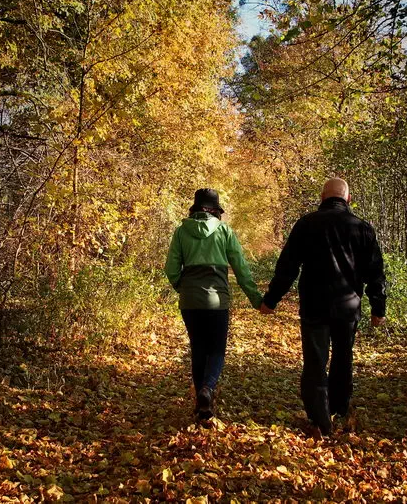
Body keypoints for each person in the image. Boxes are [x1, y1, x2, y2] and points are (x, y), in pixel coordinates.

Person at [260, 178, 387, 436]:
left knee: (315, 362)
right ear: (348, 199)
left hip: (314, 306)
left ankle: (320, 420)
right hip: (348, 308)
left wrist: (271, 300)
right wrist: (378, 307)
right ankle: (339, 409)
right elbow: (375, 272)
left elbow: (288, 267)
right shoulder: (362, 228)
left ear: (322, 197)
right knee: (343, 358)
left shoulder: (306, 225)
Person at [165, 188, 264, 421]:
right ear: (215, 211)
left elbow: (171, 269)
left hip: (189, 302)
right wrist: (257, 300)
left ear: (195, 208)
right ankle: (207, 389)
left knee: (198, 348)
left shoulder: (181, 232)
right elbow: (241, 269)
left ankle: (202, 406)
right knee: (217, 350)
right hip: (217, 302)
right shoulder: (224, 231)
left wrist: (184, 288)